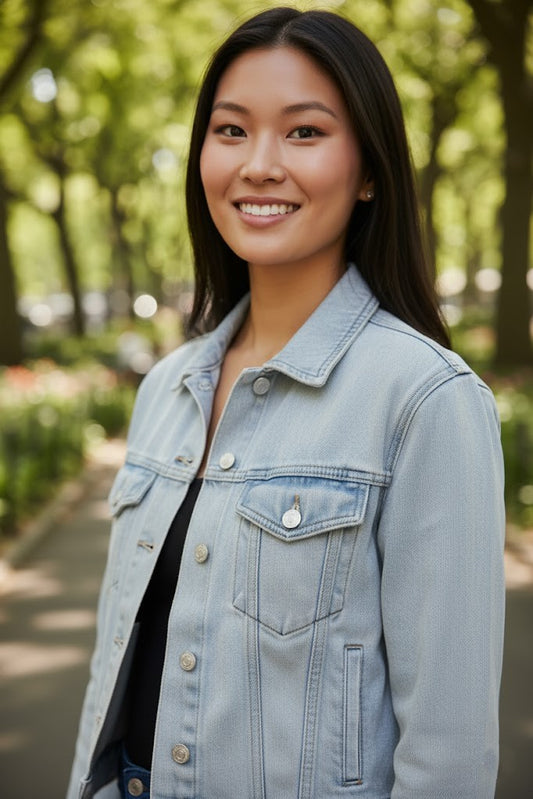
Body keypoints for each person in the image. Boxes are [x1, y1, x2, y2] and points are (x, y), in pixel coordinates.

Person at [67, 7, 505, 799]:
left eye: (303, 132)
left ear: (369, 169)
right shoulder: (166, 389)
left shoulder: (424, 401)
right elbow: (112, 679)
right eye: (230, 131)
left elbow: (446, 757)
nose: (258, 165)